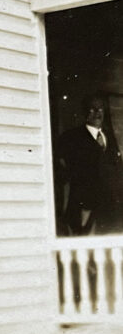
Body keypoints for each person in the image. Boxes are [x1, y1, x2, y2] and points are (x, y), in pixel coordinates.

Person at [57, 93, 123, 235]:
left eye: (100, 109)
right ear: (84, 112)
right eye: (91, 109)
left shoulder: (109, 138)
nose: (96, 113)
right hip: (85, 207)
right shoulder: (73, 137)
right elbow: (67, 171)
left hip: (110, 207)